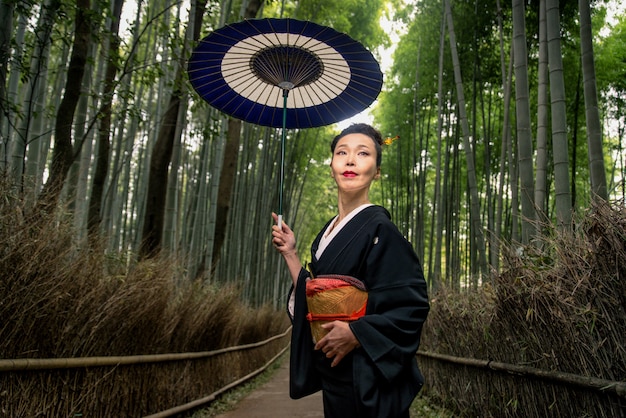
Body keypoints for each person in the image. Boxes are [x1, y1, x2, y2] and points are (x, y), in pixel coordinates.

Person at [271, 123, 430, 418]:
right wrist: (291, 253)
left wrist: (357, 333)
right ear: (332, 165)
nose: (350, 160)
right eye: (342, 152)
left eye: (363, 153)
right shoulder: (325, 235)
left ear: (377, 170)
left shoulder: (382, 230)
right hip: (337, 373)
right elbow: (316, 294)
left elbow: (412, 306)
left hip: (368, 380)